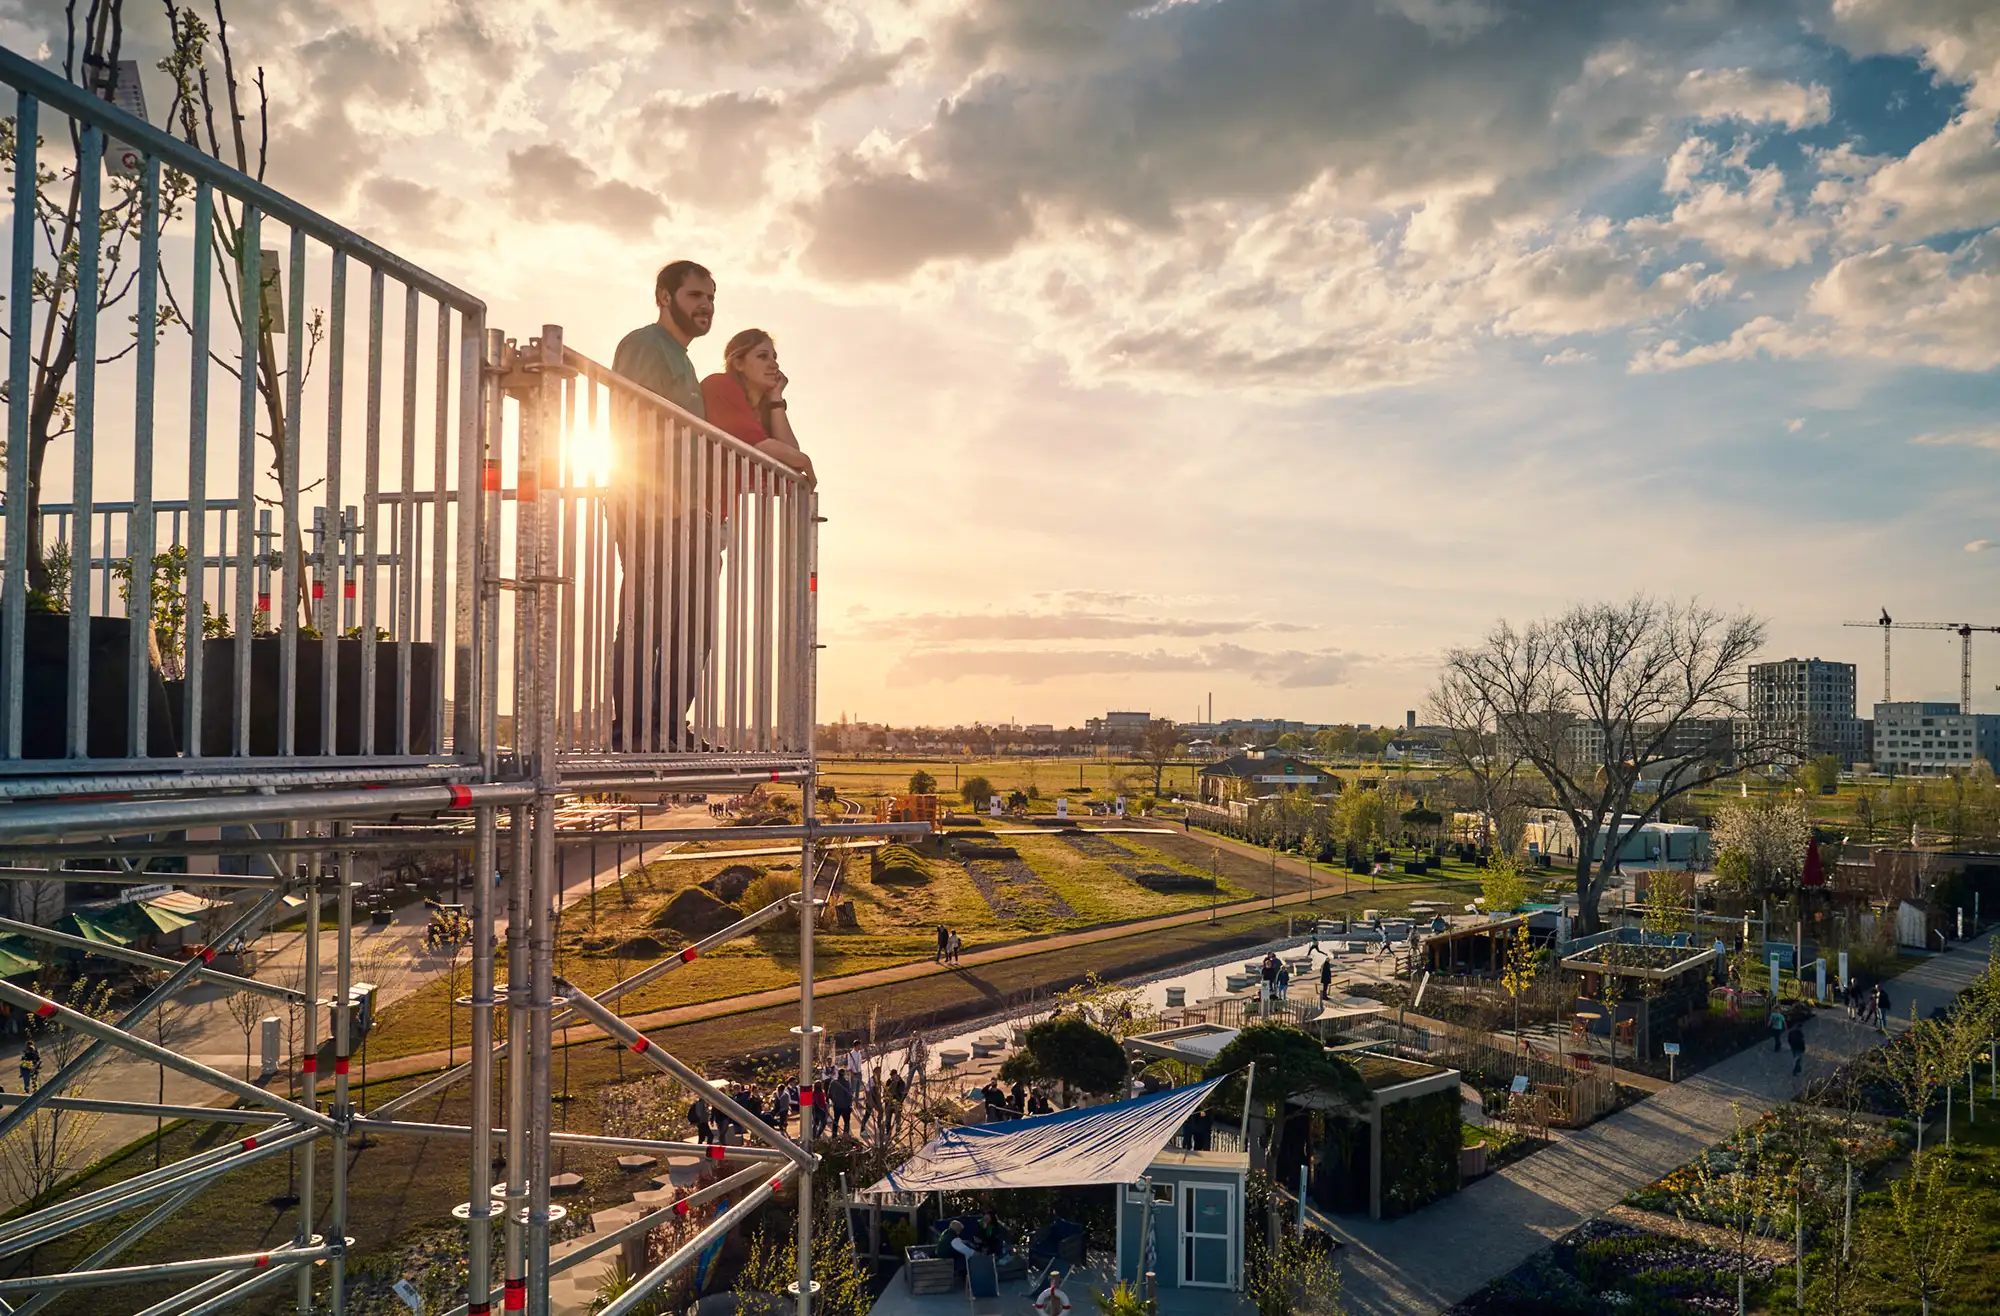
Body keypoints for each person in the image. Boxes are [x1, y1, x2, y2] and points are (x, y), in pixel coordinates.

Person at [608, 259, 718, 752]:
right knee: (645, 619)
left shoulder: (683, 358)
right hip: (648, 504)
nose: (706, 306)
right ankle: (634, 729)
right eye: (696, 296)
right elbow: (628, 421)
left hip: (686, 512)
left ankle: (670, 726)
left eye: (711, 298)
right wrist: (644, 496)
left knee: (691, 625)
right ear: (664, 296)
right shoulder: (644, 345)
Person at [699, 328, 814, 480]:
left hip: (718, 502)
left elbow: (790, 459)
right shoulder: (719, 385)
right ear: (739, 364)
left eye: (774, 357)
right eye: (763, 356)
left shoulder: (759, 411)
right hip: (688, 498)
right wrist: (805, 461)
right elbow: (763, 447)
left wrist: (776, 398)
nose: (774, 365)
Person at [829, 1072, 854, 1138]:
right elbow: (849, 1095)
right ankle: (845, 1136)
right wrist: (850, 1105)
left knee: (835, 1120)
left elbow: (829, 1094)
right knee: (846, 1122)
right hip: (845, 1106)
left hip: (837, 1105)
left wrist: (834, 1101)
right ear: (844, 1075)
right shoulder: (846, 1083)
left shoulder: (833, 1082)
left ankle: (834, 1135)